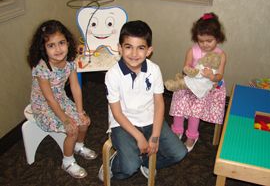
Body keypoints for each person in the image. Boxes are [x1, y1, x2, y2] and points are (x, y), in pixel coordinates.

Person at [99, 20, 187, 181]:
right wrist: (139, 137)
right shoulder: (112, 74)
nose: (134, 54)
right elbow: (117, 113)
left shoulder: (154, 70)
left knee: (179, 153)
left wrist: (154, 136)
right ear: (119, 48)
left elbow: (160, 103)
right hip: (123, 123)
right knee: (127, 168)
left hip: (149, 120)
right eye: (128, 47)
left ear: (149, 51)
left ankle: (145, 162)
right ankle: (113, 164)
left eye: (140, 48)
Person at [27, 20, 97, 179]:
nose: (58, 49)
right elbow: (49, 98)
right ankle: (67, 161)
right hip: (43, 104)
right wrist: (65, 119)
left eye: (61, 43)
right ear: (43, 48)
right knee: (71, 129)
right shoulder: (42, 67)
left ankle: (79, 146)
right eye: (51, 45)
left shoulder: (71, 60)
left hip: (61, 98)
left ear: (68, 42)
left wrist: (80, 111)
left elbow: (75, 87)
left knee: (85, 122)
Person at [169, 12, 227, 152]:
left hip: (209, 87)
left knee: (196, 108)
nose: (205, 45)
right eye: (201, 41)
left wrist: (211, 77)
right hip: (191, 82)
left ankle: (192, 135)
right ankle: (177, 130)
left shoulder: (220, 55)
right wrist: (190, 70)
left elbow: (219, 76)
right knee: (180, 100)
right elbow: (186, 67)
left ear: (217, 38)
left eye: (209, 41)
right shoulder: (193, 50)